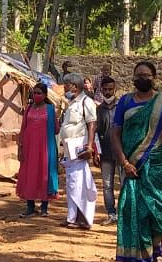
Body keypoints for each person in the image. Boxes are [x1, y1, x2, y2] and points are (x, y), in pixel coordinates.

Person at [111, 61, 162, 262]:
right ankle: (139, 258)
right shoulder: (125, 102)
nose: (141, 78)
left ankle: (158, 255)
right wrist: (124, 162)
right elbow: (115, 133)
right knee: (134, 208)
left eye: (146, 75)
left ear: (154, 77)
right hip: (132, 166)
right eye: (138, 75)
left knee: (156, 207)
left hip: (158, 165)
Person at [57, 72, 99, 229]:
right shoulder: (71, 102)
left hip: (79, 148)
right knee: (71, 183)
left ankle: (81, 218)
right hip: (69, 149)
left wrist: (89, 146)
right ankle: (72, 217)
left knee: (77, 183)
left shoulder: (86, 102)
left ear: (74, 86)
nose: (65, 88)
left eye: (66, 85)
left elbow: (92, 124)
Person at [16, 82, 60, 217]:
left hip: (45, 148)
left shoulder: (50, 109)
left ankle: (44, 207)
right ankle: (30, 206)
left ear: (45, 95)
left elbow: (56, 130)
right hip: (30, 148)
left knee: (44, 174)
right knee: (30, 174)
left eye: (39, 93)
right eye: (34, 93)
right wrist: (20, 147)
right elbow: (23, 129)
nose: (36, 95)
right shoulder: (28, 109)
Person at [94, 76, 121, 224]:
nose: (108, 92)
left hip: (122, 153)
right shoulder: (98, 110)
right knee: (107, 185)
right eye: (105, 89)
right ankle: (111, 213)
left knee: (124, 183)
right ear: (101, 90)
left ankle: (124, 213)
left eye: (110, 89)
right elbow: (96, 133)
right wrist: (97, 152)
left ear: (115, 89)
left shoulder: (122, 107)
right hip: (105, 152)